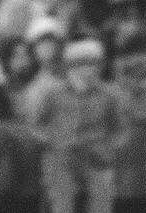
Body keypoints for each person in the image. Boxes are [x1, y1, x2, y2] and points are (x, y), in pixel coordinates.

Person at [29, 38, 131, 213]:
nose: (89, 70)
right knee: (60, 197)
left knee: (102, 195)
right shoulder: (53, 93)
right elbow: (35, 127)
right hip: (62, 157)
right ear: (71, 66)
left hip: (96, 157)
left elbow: (122, 130)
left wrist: (109, 148)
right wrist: (52, 142)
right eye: (82, 64)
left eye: (94, 64)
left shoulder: (109, 95)